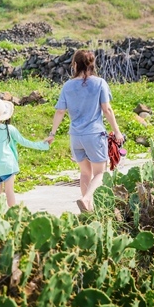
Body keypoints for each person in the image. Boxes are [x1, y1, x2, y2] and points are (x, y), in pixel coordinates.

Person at [48, 49, 125, 213]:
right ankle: (87, 199)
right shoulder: (99, 83)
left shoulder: (67, 86)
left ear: (75, 65)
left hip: (75, 136)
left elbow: (60, 111)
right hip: (94, 135)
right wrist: (117, 132)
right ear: (92, 64)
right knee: (100, 173)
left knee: (84, 173)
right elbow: (107, 109)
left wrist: (52, 133)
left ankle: (88, 210)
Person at [0, 98, 51, 208]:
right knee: (9, 192)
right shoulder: (9, 129)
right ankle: (13, 214)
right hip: (8, 166)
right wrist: (43, 145)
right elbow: (24, 142)